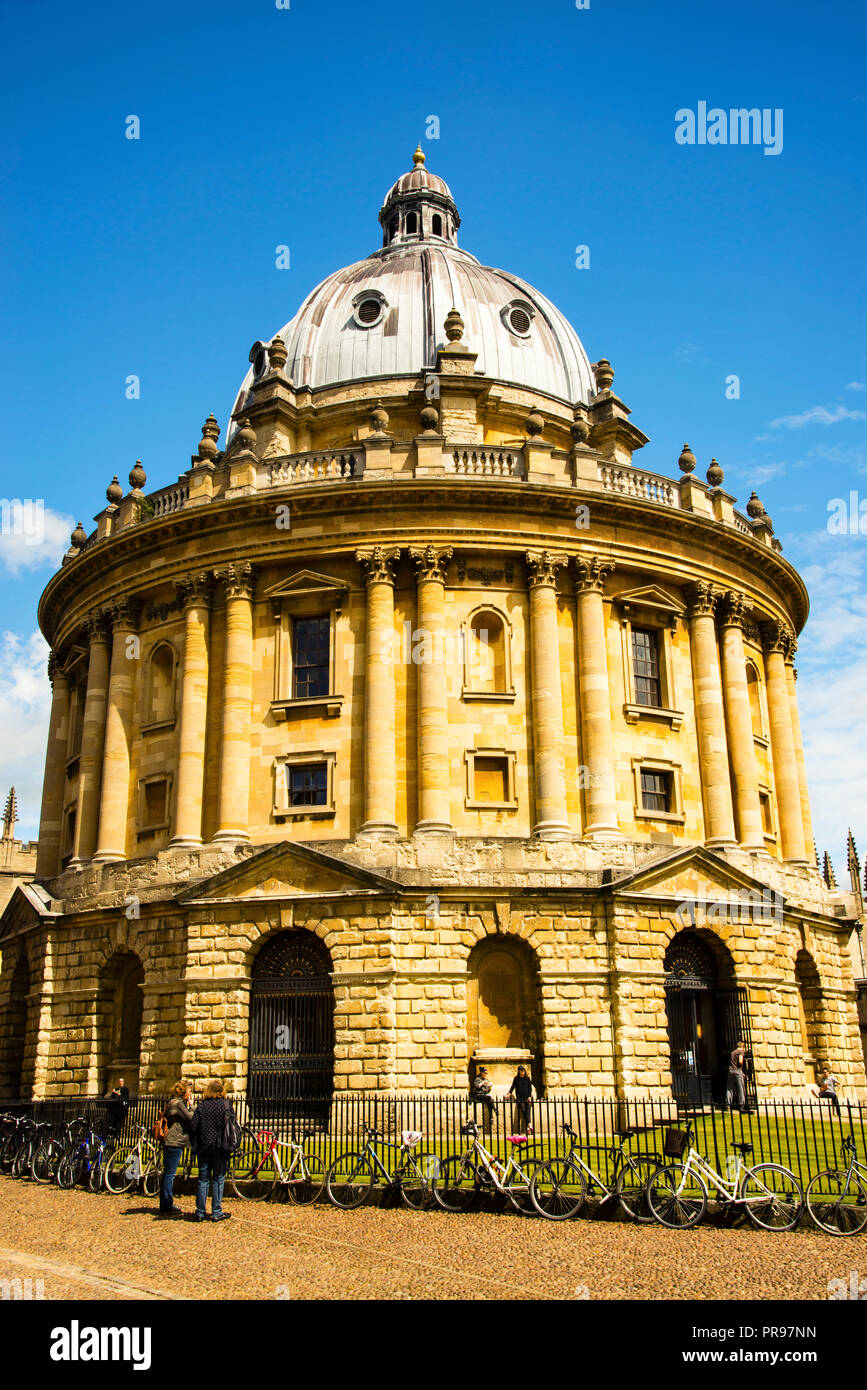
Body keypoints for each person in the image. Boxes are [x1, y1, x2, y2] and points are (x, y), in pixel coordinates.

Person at [190, 1079, 235, 1222]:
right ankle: (216, 1212)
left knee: (203, 1180)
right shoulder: (226, 1106)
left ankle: (200, 1212)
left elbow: (193, 1126)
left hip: (204, 1148)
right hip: (221, 1147)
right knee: (218, 1179)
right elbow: (232, 1125)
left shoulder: (202, 1107)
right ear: (221, 1091)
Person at [159, 1080, 195, 1217]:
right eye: (189, 1091)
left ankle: (165, 1203)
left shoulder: (171, 1101)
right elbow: (190, 1118)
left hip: (169, 1140)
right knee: (170, 1173)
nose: (190, 1093)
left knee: (167, 1173)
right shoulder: (179, 1103)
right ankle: (167, 1205)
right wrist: (191, 1106)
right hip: (174, 1141)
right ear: (183, 1092)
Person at [508, 1065, 533, 1133]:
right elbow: (513, 1087)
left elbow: (530, 1088)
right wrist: (508, 1094)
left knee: (528, 1111)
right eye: (521, 1071)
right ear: (518, 1071)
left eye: (523, 1071)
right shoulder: (516, 1078)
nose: (522, 1072)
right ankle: (529, 1125)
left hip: (527, 1097)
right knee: (524, 1110)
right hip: (520, 1098)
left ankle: (528, 1127)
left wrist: (529, 1096)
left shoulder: (527, 1078)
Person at [726, 1041, 748, 1111]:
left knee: (729, 1089)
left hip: (730, 1071)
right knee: (740, 1088)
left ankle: (728, 1105)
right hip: (737, 1071)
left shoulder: (733, 1052)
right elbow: (740, 1061)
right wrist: (741, 1068)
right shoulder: (740, 1052)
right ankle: (742, 1105)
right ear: (743, 1047)